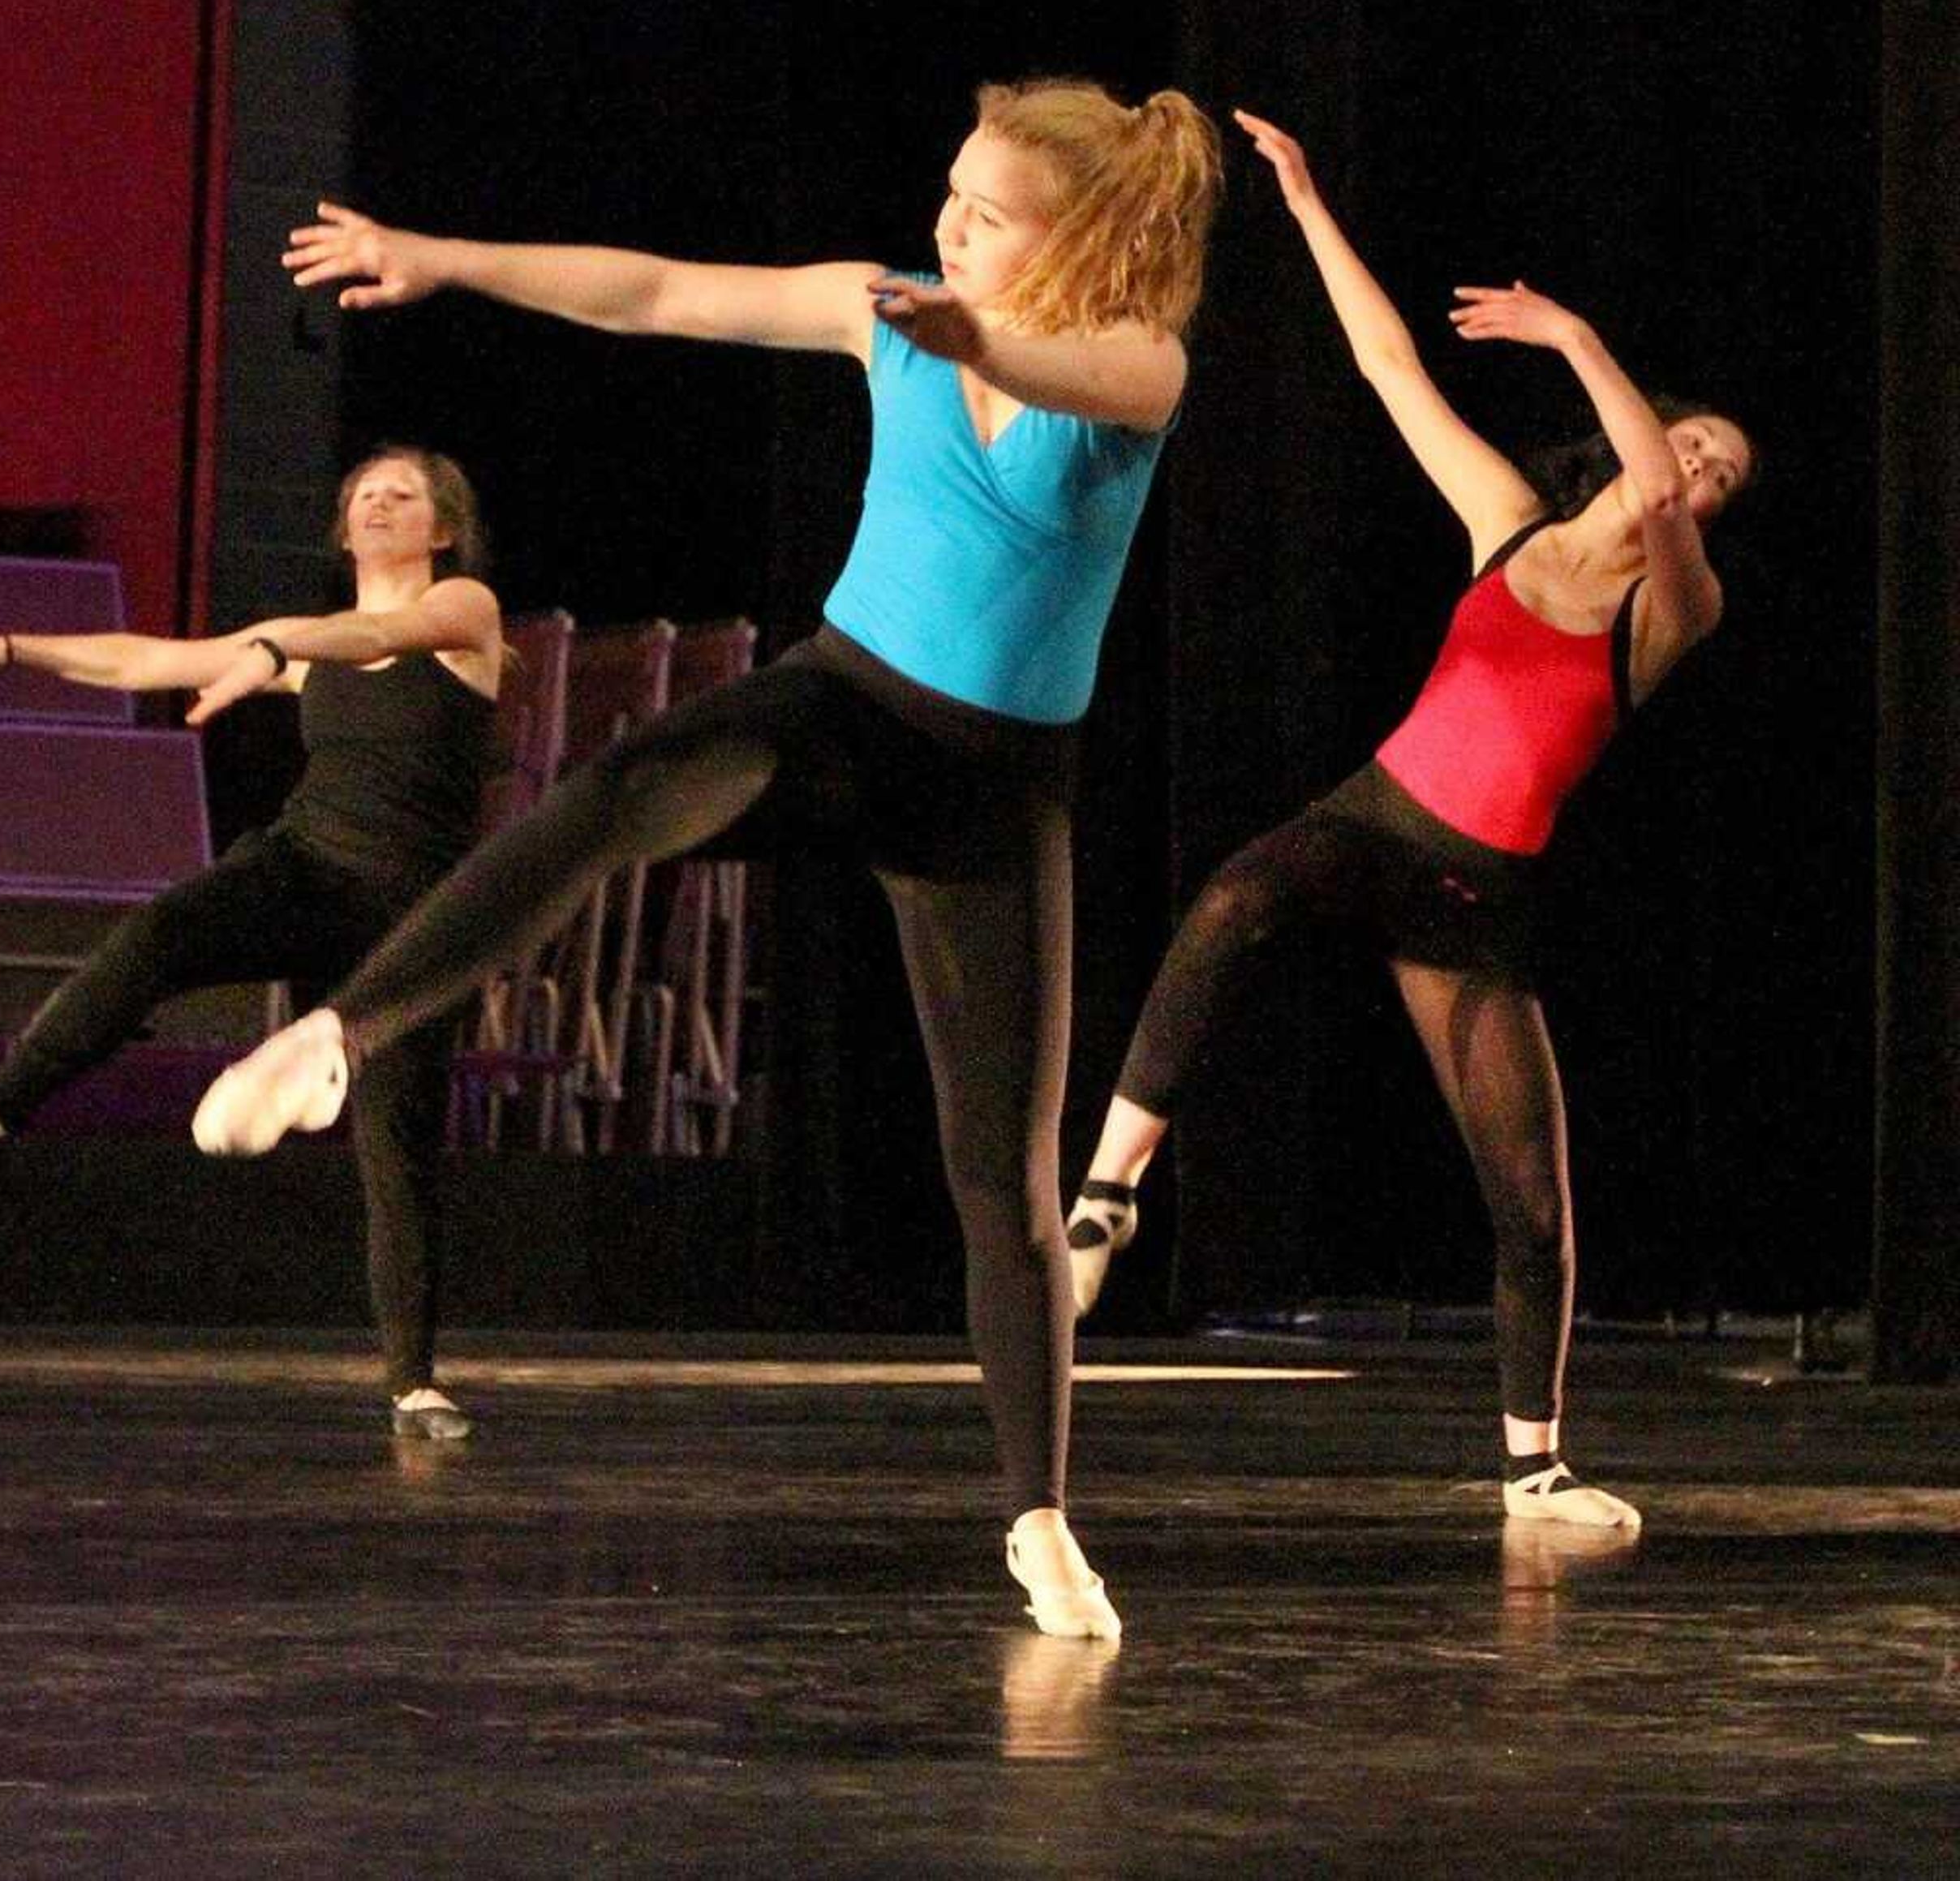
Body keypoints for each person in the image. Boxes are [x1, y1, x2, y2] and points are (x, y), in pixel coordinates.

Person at [194, 79, 1224, 1638]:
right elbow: (659, 292)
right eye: (949, 191)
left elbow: (1070, 360)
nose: (946, 226)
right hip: (844, 702)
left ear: (1071, 233)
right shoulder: (887, 312)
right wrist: (446, 256)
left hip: (998, 796)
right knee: (625, 785)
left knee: (1000, 1182)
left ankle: (1039, 1521)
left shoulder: (1140, 364)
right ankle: (345, 1033)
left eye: (987, 214)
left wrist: (979, 341)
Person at [1061, 111, 1754, 1534]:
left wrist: (1571, 334)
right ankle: (1107, 1195)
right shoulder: (1505, 518)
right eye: (1687, 441)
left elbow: (1661, 481)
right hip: (1374, 827)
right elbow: (1388, 368)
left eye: (1716, 472)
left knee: (1534, 1210)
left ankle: (1534, 1468)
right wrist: (1309, 202)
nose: (1689, 467)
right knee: (1237, 898)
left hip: (1476, 898)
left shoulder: (1673, 607)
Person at [0, 446, 504, 1440]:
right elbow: (149, 658)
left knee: (396, 1143)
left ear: (443, 529)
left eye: (403, 497)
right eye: (362, 496)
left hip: (413, 922)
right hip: (306, 868)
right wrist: (16, 648)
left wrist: (276, 649)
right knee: (163, 928)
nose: (379, 508)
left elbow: (387, 627)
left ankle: (413, 1379)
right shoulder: (306, 643)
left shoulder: (465, 615)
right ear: (341, 527)